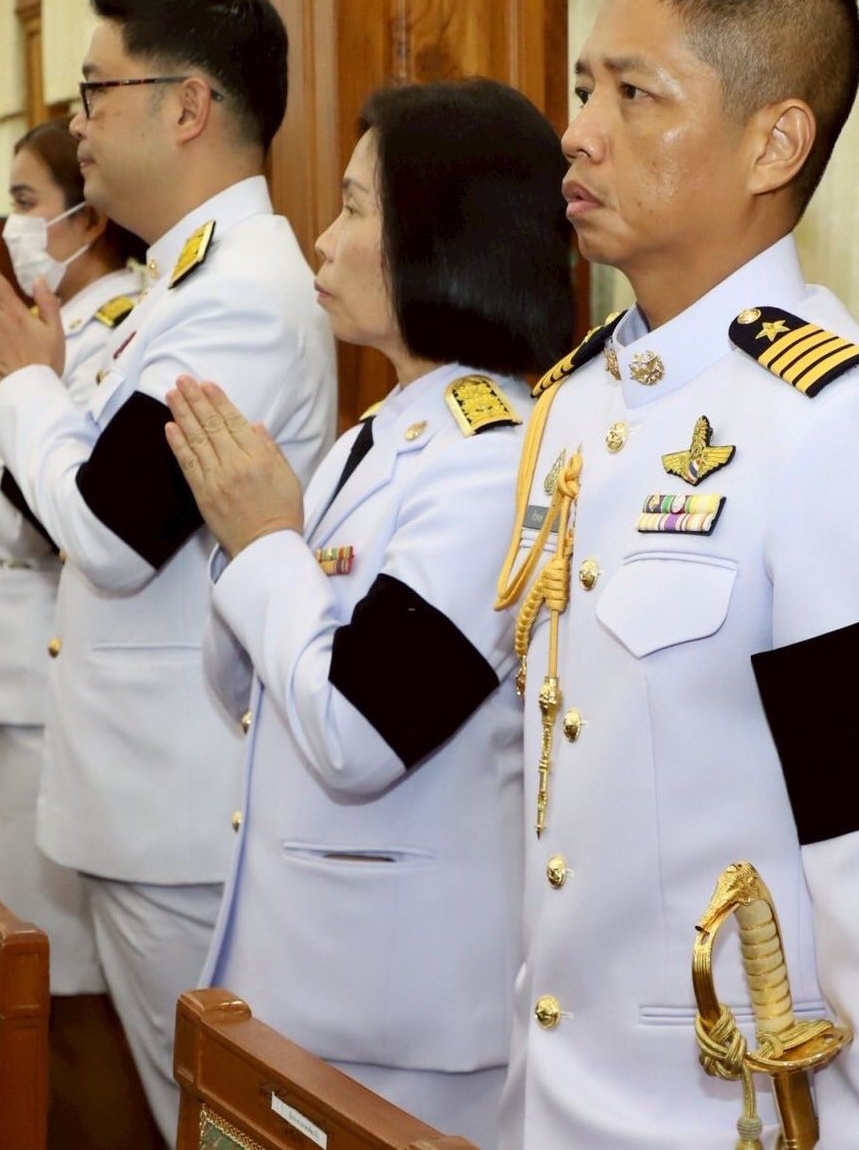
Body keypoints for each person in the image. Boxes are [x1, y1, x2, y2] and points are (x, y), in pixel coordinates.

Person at [494, 0, 859, 1150]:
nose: (579, 132)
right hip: (559, 1099)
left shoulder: (844, 425)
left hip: (725, 1115)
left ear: (774, 142)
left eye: (635, 94)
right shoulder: (578, 403)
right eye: (584, 88)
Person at [0, 0, 337, 1137]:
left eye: (96, 92)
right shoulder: (174, 285)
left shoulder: (237, 295)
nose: (79, 124)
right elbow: (65, 505)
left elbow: (111, 535)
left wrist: (21, 384)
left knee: (215, 1117)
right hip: (141, 797)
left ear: (188, 106)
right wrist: (29, 390)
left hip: (179, 801)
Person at [168, 79, 572, 1148]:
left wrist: (266, 540)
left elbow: (357, 731)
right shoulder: (377, 434)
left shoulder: (491, 460)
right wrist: (251, 537)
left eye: (353, 207)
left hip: (403, 1018)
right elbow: (246, 686)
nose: (323, 236)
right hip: (308, 978)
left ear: (438, 240)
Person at [0, 118, 161, 1147]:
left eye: (26, 201)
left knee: (60, 981)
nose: (10, 225)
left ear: (88, 217)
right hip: (8, 680)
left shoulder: (109, 330)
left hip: (52, 687)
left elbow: (32, 517)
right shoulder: (44, 329)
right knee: (22, 961)